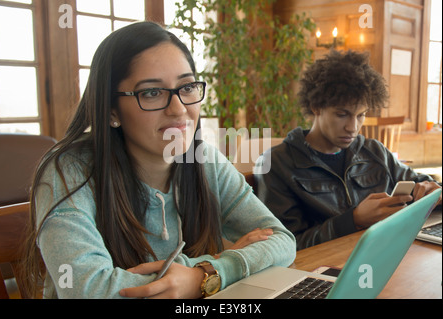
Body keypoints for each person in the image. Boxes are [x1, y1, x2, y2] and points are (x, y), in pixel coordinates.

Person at [21, 21, 296, 299]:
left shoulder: (203, 160)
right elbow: (87, 290)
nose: (178, 109)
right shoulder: (67, 172)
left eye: (187, 87)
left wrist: (206, 273)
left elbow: (282, 240)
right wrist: (206, 269)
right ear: (111, 110)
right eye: (151, 93)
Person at [255, 50, 441, 250]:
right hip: (323, 271)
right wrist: (353, 220)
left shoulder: (374, 152)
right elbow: (284, 246)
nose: (353, 127)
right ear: (316, 107)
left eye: (361, 115)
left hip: (384, 255)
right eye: (342, 114)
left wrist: (434, 191)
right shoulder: (276, 164)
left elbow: (422, 183)